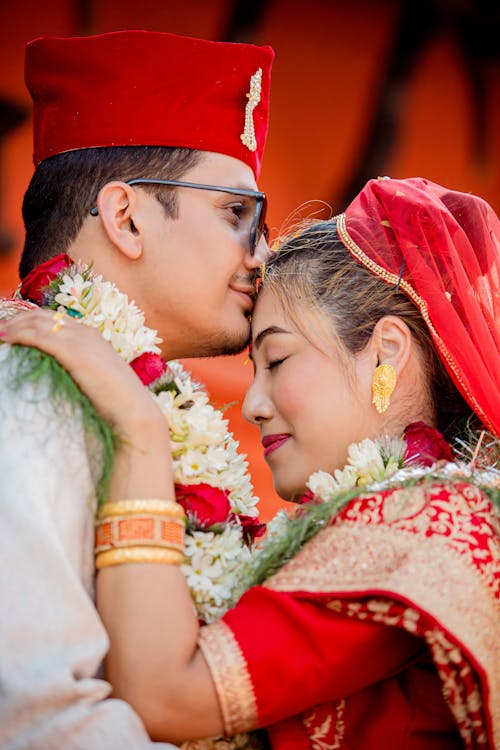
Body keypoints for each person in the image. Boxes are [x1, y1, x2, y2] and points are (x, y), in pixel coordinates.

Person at [2, 177, 498, 749]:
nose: (254, 404)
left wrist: (139, 426)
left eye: (278, 358)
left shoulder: (427, 524)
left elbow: (165, 698)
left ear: (384, 351)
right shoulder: (409, 517)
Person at [0, 29, 273, 749]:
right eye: (237, 215)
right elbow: (37, 715)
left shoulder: (134, 396)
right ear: (125, 218)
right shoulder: (27, 385)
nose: (264, 256)